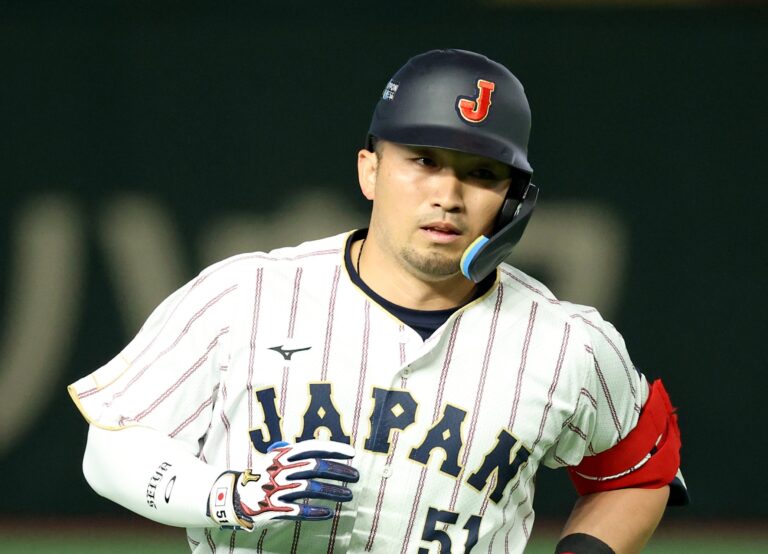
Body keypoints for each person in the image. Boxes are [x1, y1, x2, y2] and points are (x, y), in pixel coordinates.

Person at [69, 49, 687, 554]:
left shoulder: (568, 342)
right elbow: (111, 448)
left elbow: (638, 474)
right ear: (370, 170)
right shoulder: (245, 294)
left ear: (514, 199)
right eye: (423, 160)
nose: (447, 193)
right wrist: (230, 495)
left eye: (480, 173)